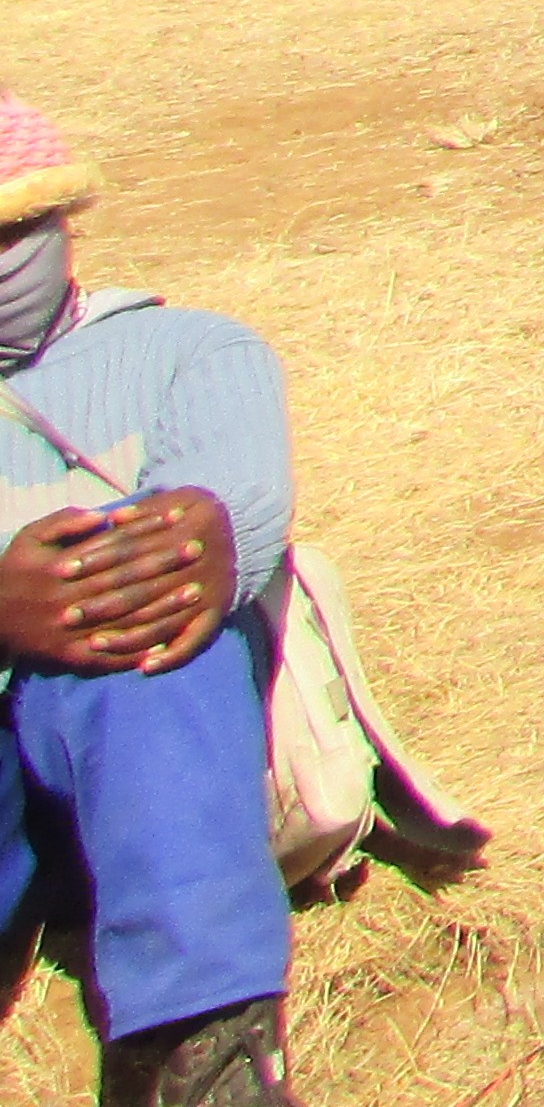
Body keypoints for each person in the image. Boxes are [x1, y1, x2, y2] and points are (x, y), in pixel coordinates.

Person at [0, 88, 308, 1107]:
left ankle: (208, 1048)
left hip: (144, 747)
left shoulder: (190, 351)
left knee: (154, 643)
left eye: (16, 227)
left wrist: (213, 539)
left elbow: (238, 496)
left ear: (64, 223)